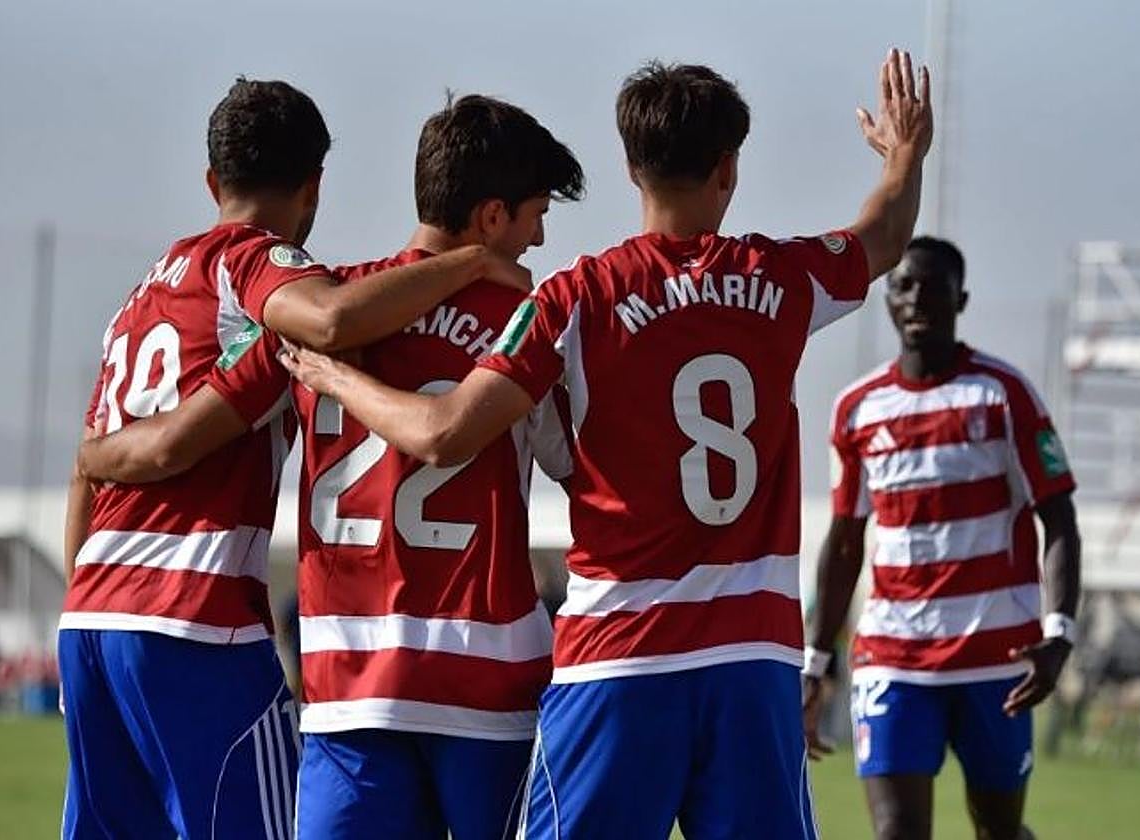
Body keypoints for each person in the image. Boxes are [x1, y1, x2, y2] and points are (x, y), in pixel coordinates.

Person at [281, 49, 933, 838]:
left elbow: (446, 431)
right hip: (749, 659)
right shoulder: (785, 279)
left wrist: (334, 375)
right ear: (728, 169)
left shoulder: (574, 298)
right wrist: (905, 152)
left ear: (631, 169)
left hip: (618, 658)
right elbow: (887, 232)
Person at [61, 78, 528, 840]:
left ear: (212, 181)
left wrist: (79, 598)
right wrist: (472, 262)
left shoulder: (140, 297)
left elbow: (88, 465)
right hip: (194, 617)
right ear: (314, 185)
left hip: (90, 621)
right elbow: (331, 318)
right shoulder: (254, 265)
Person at [287, 94, 581, 840]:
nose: (540, 237)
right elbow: (572, 461)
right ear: (490, 219)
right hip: (484, 676)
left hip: (349, 678)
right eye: (535, 214)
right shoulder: (523, 322)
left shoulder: (322, 308)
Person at [802, 237, 1083, 840]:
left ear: (962, 299)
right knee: (898, 831)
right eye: (903, 285)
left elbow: (1059, 518)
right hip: (892, 657)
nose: (918, 298)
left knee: (999, 830)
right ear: (887, 301)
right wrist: (815, 660)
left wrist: (1059, 633)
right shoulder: (858, 409)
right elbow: (846, 541)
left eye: (934, 286)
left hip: (996, 658)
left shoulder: (1004, 395)